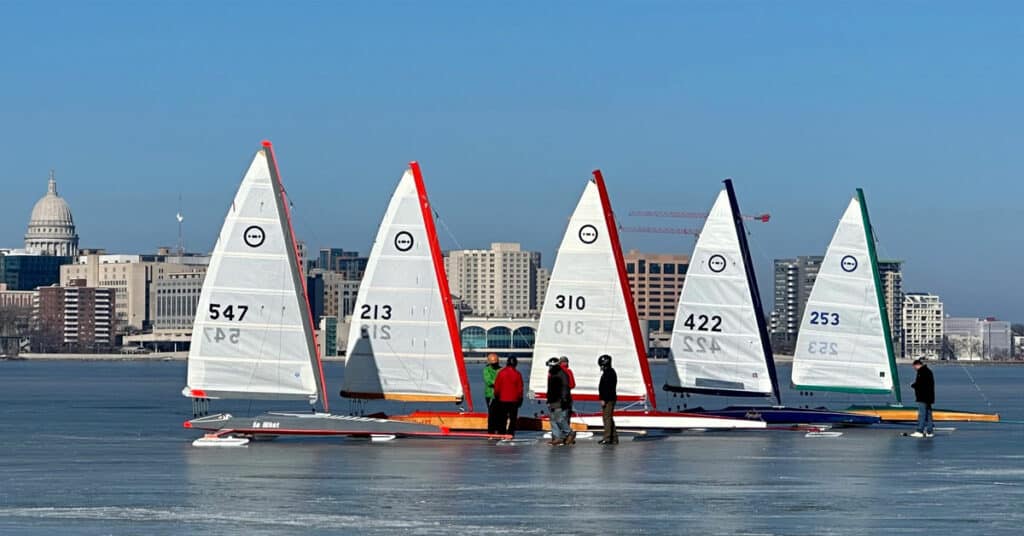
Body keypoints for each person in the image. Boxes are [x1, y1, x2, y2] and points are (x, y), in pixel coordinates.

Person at [493, 356, 524, 437]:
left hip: (502, 399)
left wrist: (496, 395)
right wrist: (520, 398)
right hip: (514, 400)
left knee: (502, 417)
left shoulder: (501, 373)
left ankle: (501, 432)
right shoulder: (517, 374)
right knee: (513, 418)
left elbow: (497, 387)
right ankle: (510, 433)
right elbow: (520, 388)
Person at [546, 357, 573, 445]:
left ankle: (569, 433)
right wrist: (548, 399)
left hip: (559, 400)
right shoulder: (552, 374)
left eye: (550, 366)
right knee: (553, 419)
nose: (549, 368)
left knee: (559, 419)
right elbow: (550, 388)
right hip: (552, 400)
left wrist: (564, 399)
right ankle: (557, 437)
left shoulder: (562, 374)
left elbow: (565, 387)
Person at [910, 359, 935, 438]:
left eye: (914, 367)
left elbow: (920, 384)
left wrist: (913, 385)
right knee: (928, 414)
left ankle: (920, 431)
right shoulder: (928, 371)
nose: (914, 369)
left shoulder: (921, 372)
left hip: (923, 396)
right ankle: (929, 432)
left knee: (922, 414)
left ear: (917, 365)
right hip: (929, 396)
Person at [597, 354, 618, 445]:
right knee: (609, 418)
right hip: (609, 398)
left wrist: (604, 399)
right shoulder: (608, 372)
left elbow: (607, 388)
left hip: (608, 399)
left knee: (607, 418)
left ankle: (607, 438)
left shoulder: (609, 373)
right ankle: (613, 438)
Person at [483, 353, 501, 434]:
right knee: (492, 413)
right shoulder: (486, 370)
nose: (494, 364)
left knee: (500, 412)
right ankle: (491, 431)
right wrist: (499, 382)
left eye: (496, 362)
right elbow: (488, 381)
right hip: (490, 395)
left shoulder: (501, 370)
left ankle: (498, 428)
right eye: (493, 363)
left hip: (500, 394)